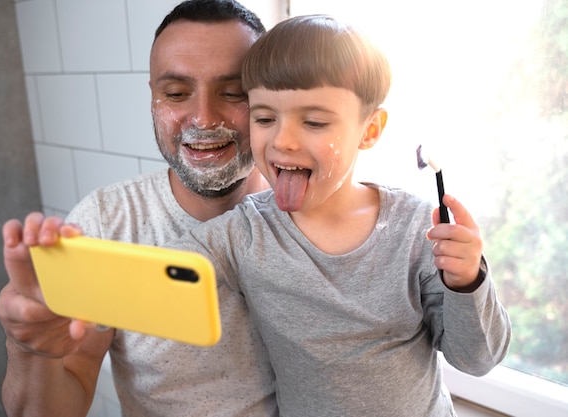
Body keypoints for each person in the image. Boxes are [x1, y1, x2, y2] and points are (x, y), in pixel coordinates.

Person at [160, 14, 511, 416]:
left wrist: (467, 280)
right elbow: (156, 275)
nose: (282, 140)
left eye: (314, 121)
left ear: (370, 130)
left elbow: (477, 359)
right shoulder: (246, 233)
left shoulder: (418, 230)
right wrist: (72, 254)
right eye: (264, 118)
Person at [0, 1, 277, 417]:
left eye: (233, 93)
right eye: (176, 93)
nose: (202, 118)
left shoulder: (306, 215)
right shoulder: (106, 224)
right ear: (153, 97)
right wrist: (29, 351)